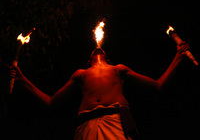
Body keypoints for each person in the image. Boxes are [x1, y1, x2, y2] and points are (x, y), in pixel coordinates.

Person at [11, 42, 189, 140]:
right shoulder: (81, 74)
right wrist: (22, 79)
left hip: (116, 123)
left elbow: (157, 86)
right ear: (88, 61)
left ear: (107, 58)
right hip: (87, 127)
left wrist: (178, 57)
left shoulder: (118, 69)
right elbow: (51, 103)